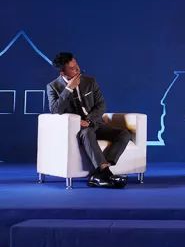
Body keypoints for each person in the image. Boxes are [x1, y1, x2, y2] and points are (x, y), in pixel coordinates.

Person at [46, 52, 130, 188]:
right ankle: (106, 174)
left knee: (124, 134)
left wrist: (90, 120)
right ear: (63, 73)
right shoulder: (53, 87)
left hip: (95, 123)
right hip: (78, 129)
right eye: (72, 68)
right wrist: (68, 89)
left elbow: (101, 105)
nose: (77, 69)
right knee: (87, 132)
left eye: (77, 65)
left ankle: (101, 172)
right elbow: (55, 110)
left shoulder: (90, 81)